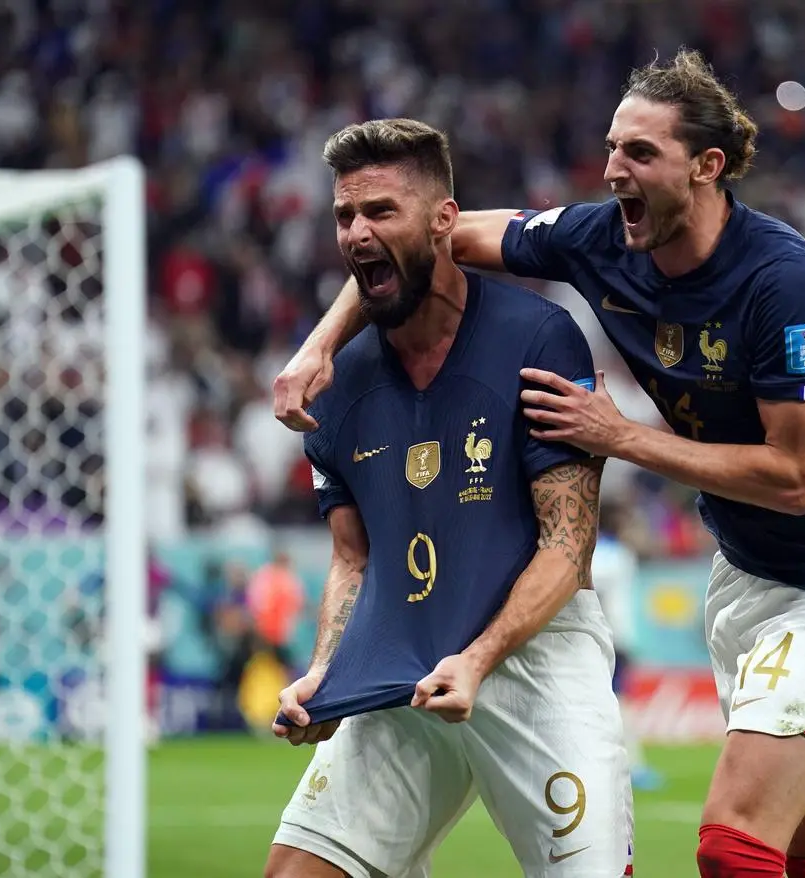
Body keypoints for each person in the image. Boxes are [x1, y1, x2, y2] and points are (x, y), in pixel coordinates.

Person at [275, 50, 805, 878]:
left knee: (734, 846)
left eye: (641, 154)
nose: (614, 170)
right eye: (613, 148)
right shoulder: (599, 238)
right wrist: (320, 344)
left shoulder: (784, 282)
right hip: (746, 576)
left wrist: (621, 436)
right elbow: (422, 243)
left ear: (707, 167)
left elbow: (795, 482)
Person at [264, 119, 632, 878]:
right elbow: (351, 558)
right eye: (344, 217)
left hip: (534, 657)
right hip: (402, 661)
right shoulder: (331, 388)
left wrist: (478, 658)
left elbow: (568, 545)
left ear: (444, 221)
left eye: (381, 212)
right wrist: (324, 670)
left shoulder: (539, 338)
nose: (357, 234)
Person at [591, 499, 663, 790]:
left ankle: (628, 764)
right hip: (613, 637)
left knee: (616, 704)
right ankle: (633, 766)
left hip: (610, 637)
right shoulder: (614, 554)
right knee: (619, 705)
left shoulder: (604, 553)